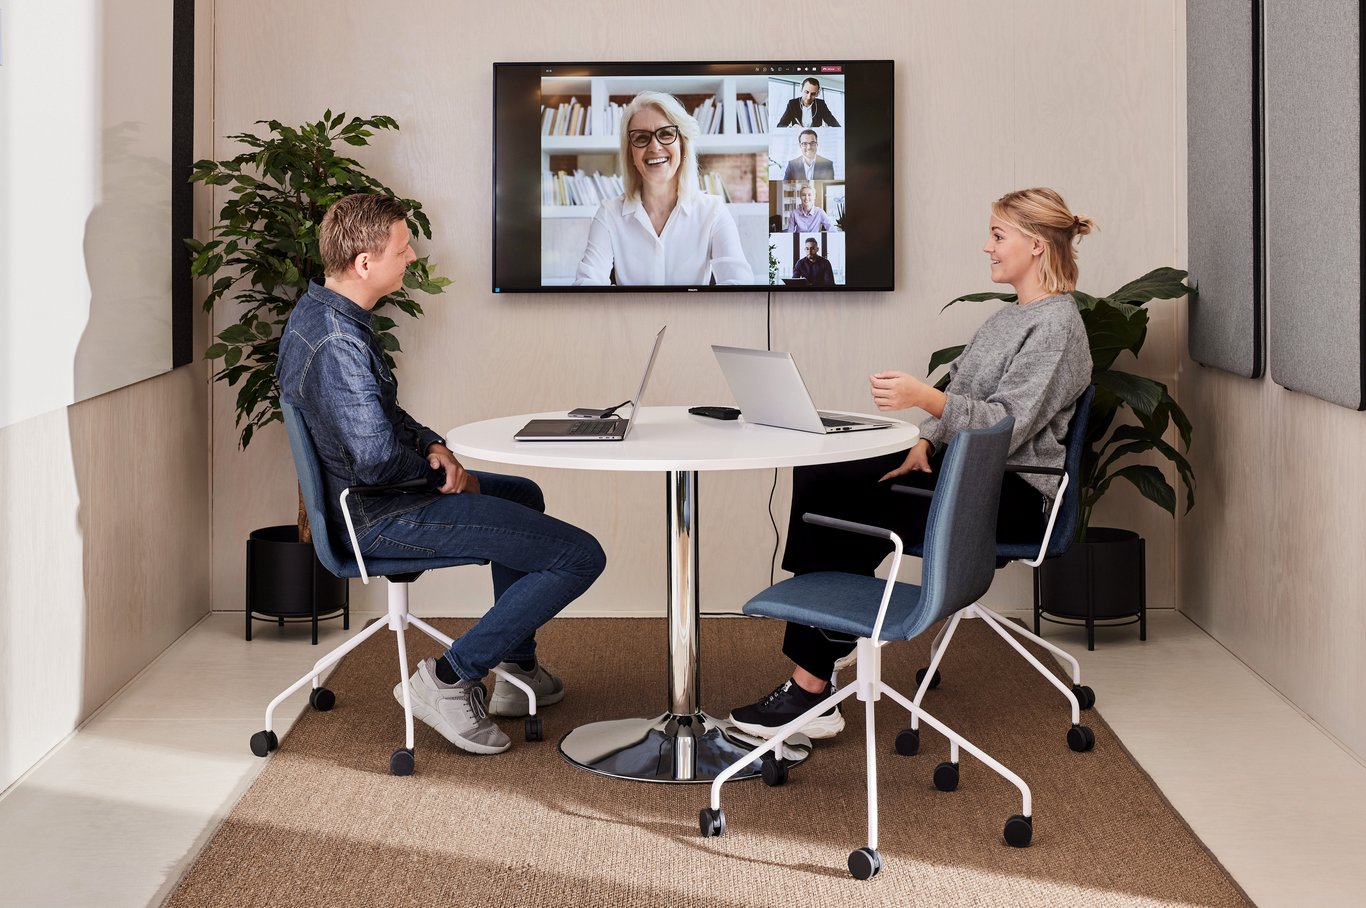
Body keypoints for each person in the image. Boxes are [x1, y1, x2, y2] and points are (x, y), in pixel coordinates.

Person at [728, 187, 1095, 740]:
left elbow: (1007, 424)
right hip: (967, 474)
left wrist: (925, 399)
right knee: (826, 474)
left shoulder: (1057, 327)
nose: (987, 247)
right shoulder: (1008, 318)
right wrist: (924, 440)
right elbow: (964, 392)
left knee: (844, 501)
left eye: (998, 236)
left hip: (1012, 494)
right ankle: (822, 648)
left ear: (1037, 245)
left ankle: (811, 686)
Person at [278, 194, 607, 755]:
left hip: (374, 499)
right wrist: (446, 479)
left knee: (522, 494)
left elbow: (382, 416)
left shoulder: (330, 315)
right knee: (580, 555)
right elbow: (375, 460)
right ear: (364, 262)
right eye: (402, 249)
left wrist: (434, 445)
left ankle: (516, 667)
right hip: (380, 514)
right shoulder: (336, 343)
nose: (411, 257)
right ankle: (449, 679)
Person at [574, 91, 750, 286]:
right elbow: (586, 284)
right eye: (641, 137)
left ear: (682, 145)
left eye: (666, 134)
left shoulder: (713, 211)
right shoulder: (609, 214)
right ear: (631, 154)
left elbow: (740, 286)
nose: (655, 146)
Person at [775, 78, 841, 128]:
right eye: (806, 92)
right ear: (801, 89)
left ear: (817, 94)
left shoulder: (821, 104)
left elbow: (835, 125)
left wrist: (827, 129)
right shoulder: (792, 104)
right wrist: (791, 128)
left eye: (813, 94)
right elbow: (780, 125)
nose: (809, 97)